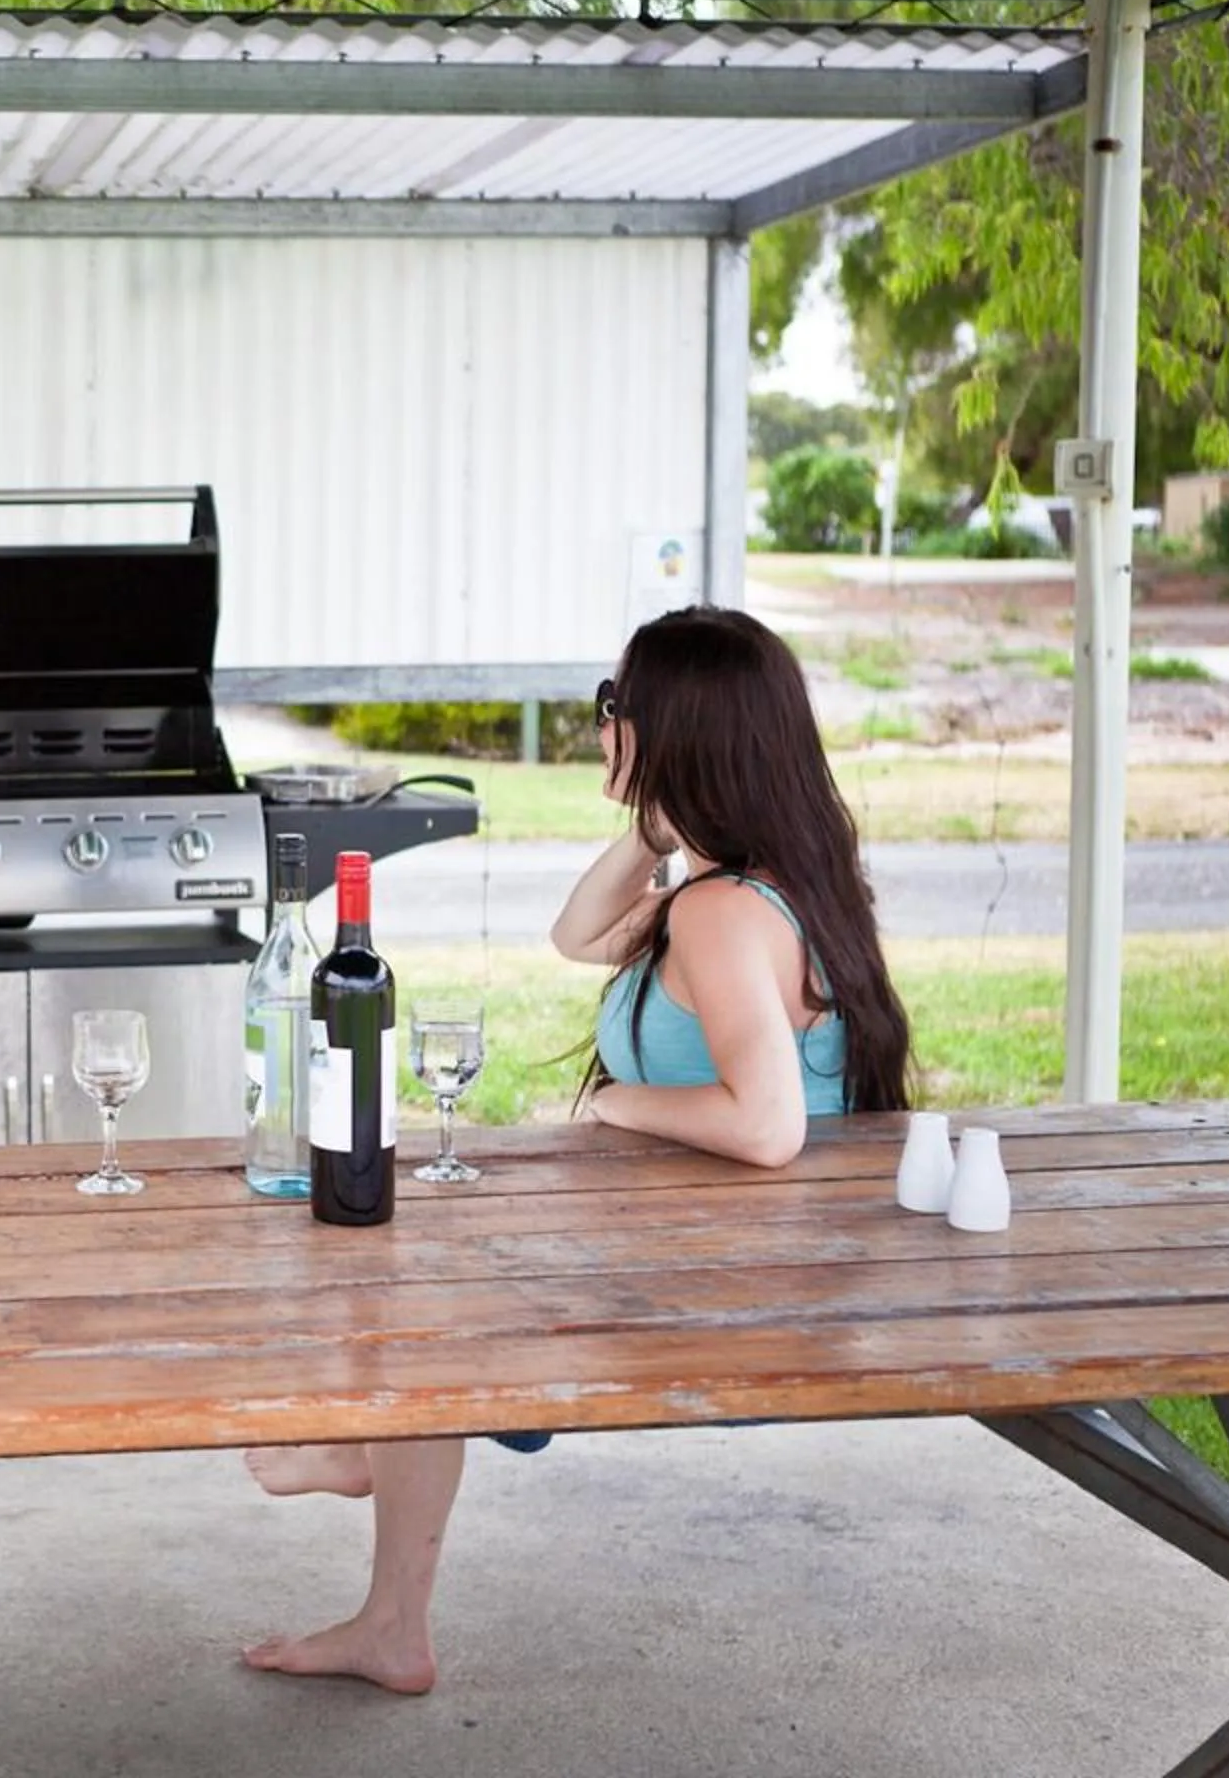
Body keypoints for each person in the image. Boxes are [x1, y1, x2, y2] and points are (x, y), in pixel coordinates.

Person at [239, 604, 914, 1691]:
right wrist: (653, 825)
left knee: (429, 1292)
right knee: (442, 1260)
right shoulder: (750, 886)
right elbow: (576, 935)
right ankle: (381, 1491)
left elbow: (767, 1124)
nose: (600, 725)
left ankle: (382, 1526)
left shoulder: (724, 916)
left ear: (673, 729)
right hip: (761, 1257)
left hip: (733, 1292)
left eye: (614, 707)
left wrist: (619, 1106)